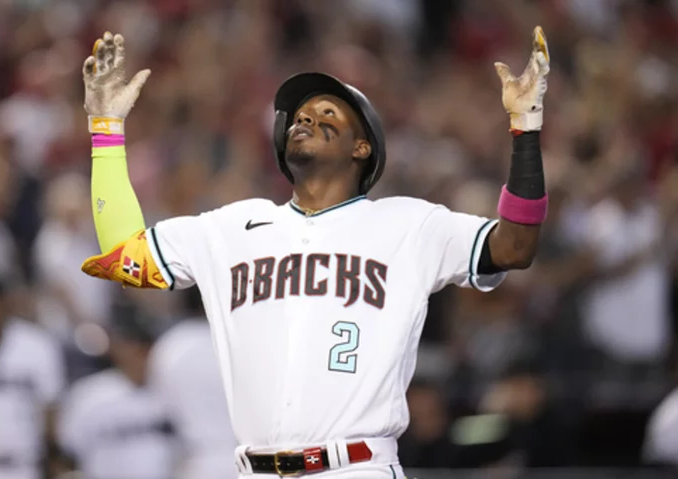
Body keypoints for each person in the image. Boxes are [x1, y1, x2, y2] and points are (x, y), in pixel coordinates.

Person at [79, 25, 550, 478]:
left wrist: (525, 129)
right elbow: (125, 258)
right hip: (253, 469)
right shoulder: (230, 227)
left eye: (327, 113)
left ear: (362, 146)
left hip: (356, 467)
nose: (306, 117)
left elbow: (514, 246)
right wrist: (105, 130)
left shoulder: (409, 223)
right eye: (300, 116)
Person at [57, 302, 180, 479]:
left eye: (144, 347)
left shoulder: (171, 391)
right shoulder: (88, 395)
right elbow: (66, 455)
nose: (139, 353)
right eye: (132, 345)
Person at [0, 276, 65, 479]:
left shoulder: (36, 344)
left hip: (22, 466)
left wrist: (52, 456)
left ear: (4, 304)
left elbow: (50, 405)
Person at [149, 314, 237, 479]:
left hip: (199, 463)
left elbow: (160, 408)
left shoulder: (172, 344)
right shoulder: (239, 336)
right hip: (249, 460)